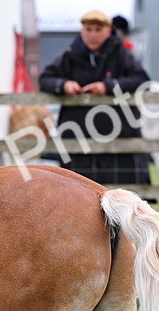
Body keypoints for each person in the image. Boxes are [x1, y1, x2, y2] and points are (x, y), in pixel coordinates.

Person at [38, 10, 151, 186]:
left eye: (98, 30)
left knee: (121, 193)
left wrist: (108, 86)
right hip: (79, 138)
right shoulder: (70, 54)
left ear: (108, 31)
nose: (92, 35)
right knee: (77, 193)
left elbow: (142, 80)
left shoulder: (121, 54)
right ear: (82, 31)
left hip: (118, 137)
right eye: (88, 29)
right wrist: (64, 85)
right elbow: (45, 79)